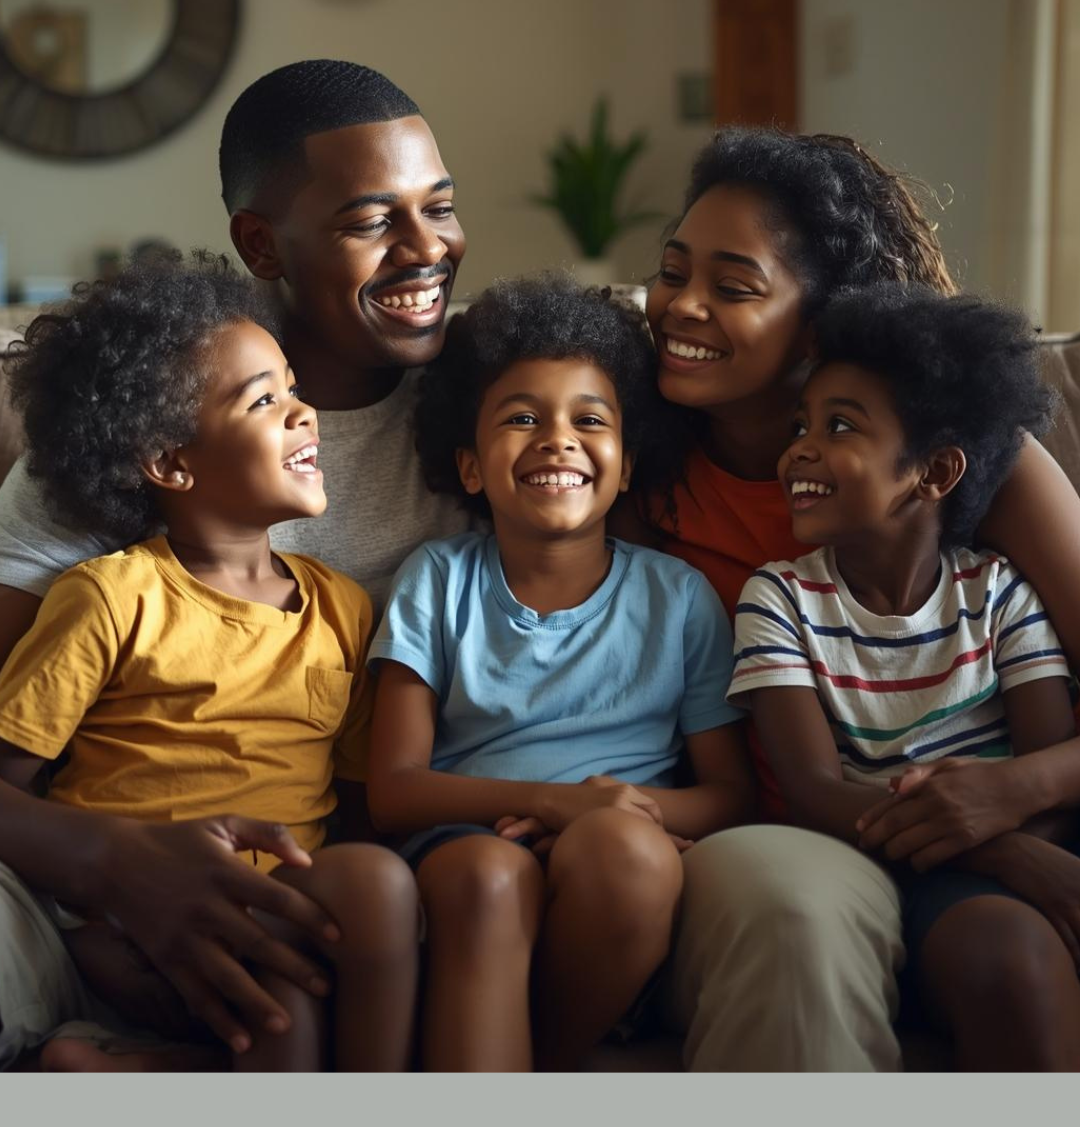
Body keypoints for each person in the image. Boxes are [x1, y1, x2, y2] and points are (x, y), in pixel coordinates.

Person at [0, 60, 467, 1064]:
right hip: (87, 867)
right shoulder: (138, 417)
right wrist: (109, 865)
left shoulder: (491, 424)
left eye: (440, 207)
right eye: (371, 220)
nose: (427, 248)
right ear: (262, 243)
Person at [637, 127, 1080, 1071]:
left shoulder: (980, 469)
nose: (682, 306)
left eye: (734, 285)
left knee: (1017, 967)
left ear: (821, 319)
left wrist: (1012, 801)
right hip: (773, 846)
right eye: (673, 271)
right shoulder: (635, 477)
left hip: (993, 828)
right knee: (796, 917)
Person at [365, 276, 756, 1071]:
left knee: (628, 851)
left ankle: (538, 1058)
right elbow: (394, 788)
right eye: (521, 418)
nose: (556, 438)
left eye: (589, 420)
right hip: (464, 846)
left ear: (625, 465)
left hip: (613, 866)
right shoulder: (437, 579)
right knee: (486, 874)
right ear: (470, 467)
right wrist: (550, 800)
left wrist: (601, 812)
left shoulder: (678, 598)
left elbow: (730, 793)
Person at [726, 283, 1080, 1070]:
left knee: (1016, 955)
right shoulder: (779, 599)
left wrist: (1027, 851)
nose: (800, 450)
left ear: (935, 472)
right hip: (876, 864)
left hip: (1005, 858)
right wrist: (1003, 854)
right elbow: (814, 790)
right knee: (1005, 949)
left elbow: (1044, 764)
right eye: (800, 426)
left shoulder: (998, 593)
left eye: (840, 427)